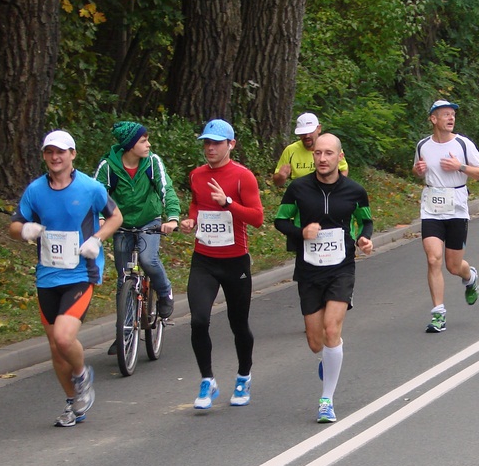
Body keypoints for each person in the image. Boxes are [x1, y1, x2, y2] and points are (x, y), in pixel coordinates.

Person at [9, 130, 123, 427]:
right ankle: (73, 403)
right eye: (49, 152)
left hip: (80, 273)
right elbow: (15, 223)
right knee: (55, 347)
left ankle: (83, 374)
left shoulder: (90, 188)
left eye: (61, 152)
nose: (55, 157)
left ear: (72, 154)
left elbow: (116, 217)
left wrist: (97, 239)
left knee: (63, 337)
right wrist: (24, 230)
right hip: (47, 275)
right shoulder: (35, 190)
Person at [274, 133, 373, 423]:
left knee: (332, 331)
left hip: (342, 267)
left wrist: (365, 239)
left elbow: (365, 220)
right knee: (316, 342)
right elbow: (280, 220)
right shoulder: (298, 188)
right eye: (318, 153)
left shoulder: (354, 191)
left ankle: (326, 399)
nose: (322, 158)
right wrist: (300, 232)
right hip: (308, 269)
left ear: (339, 157)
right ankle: (328, 359)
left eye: (329, 153)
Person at [179, 119, 265, 410]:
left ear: (231, 145)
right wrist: (191, 219)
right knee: (199, 320)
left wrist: (228, 202)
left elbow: (257, 218)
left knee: (238, 324)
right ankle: (207, 380)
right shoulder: (197, 175)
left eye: (216, 143)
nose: (210, 148)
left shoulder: (243, 177)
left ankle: (243, 376)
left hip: (235, 261)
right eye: (206, 142)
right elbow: (196, 203)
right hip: (204, 259)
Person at [94, 121, 181, 356]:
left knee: (148, 259)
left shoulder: (152, 162)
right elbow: (96, 195)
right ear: (130, 145)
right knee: (124, 280)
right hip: (121, 224)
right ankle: (123, 334)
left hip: (148, 221)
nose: (148, 144)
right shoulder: (108, 167)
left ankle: (165, 293)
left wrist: (172, 218)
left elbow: (167, 190)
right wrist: (101, 219)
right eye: (143, 140)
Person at [414, 99, 479, 333]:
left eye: (453, 115)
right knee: (433, 259)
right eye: (445, 114)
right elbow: (419, 170)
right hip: (431, 209)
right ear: (433, 119)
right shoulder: (423, 145)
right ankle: (439, 314)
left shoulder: (463, 145)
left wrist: (460, 167)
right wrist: (417, 171)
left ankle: (470, 277)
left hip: (456, 208)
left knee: (453, 266)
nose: (450, 118)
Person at [273, 112, 348, 188]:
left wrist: (337, 187)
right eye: (303, 133)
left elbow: (343, 169)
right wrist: (281, 176)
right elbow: (277, 183)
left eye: (310, 132)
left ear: (319, 129)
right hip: (302, 193)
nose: (307, 136)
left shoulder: (331, 146)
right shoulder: (290, 150)